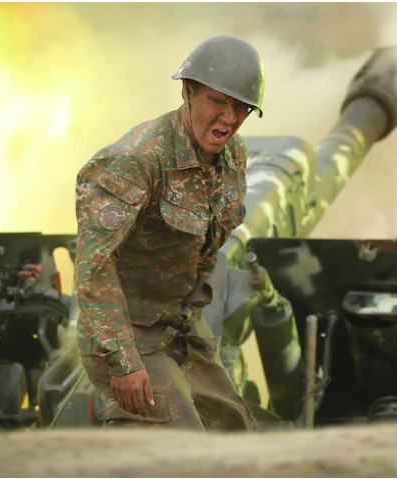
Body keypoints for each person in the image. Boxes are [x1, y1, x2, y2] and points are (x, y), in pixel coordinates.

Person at [73, 35, 264, 430]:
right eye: (217, 101)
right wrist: (123, 362)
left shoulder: (233, 155)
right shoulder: (136, 160)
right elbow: (94, 268)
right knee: (182, 445)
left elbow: (206, 245)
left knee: (235, 431)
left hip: (181, 328)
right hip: (126, 333)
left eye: (241, 107)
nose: (229, 118)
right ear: (188, 92)